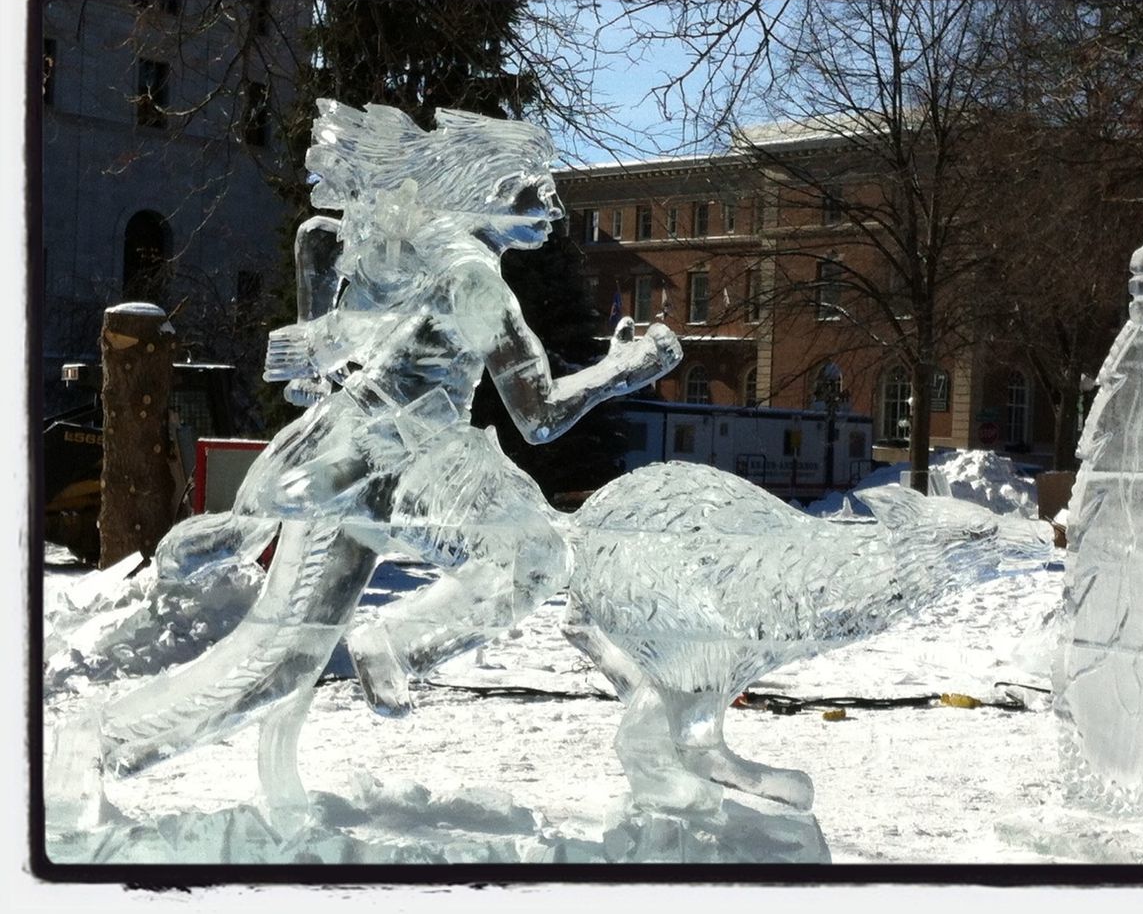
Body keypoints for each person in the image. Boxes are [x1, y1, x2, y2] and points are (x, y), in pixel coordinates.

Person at [46, 101, 681, 831]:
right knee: (535, 554)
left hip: (346, 456)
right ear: (483, 186)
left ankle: (99, 743)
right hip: (408, 455)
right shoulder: (476, 280)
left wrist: (318, 336)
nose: (553, 206)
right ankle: (396, 643)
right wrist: (633, 365)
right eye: (532, 187)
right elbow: (538, 415)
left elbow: (318, 244)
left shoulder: (407, 245)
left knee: (282, 659)